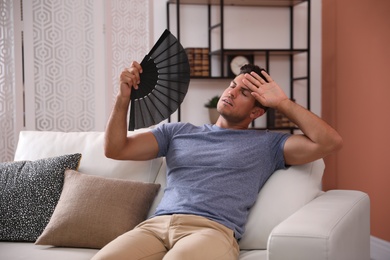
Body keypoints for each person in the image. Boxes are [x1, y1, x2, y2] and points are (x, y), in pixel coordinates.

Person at [93, 61, 343, 260]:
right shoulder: (177, 132)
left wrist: (283, 103)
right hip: (156, 227)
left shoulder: (267, 144)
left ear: (257, 111)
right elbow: (116, 149)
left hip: (211, 231)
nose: (232, 93)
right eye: (232, 85)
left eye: (244, 92)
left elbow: (330, 143)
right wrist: (123, 98)